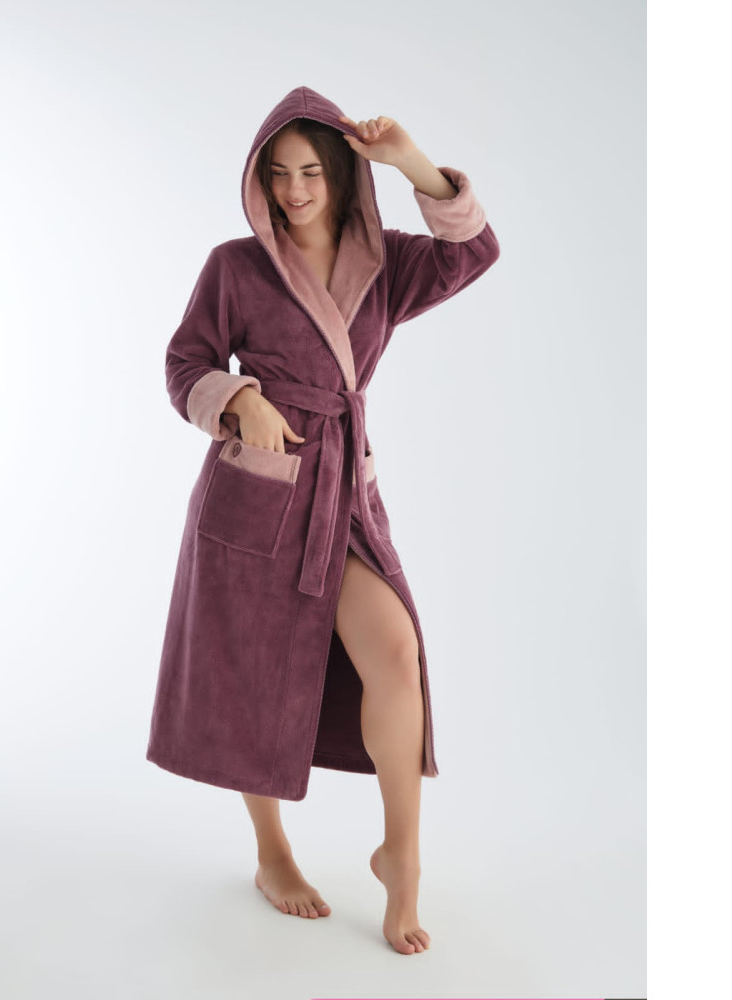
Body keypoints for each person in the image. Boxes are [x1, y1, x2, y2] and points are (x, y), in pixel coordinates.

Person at [146, 86, 501, 956]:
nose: (294, 189)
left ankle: (400, 856)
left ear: (342, 175)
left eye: (310, 171)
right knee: (253, 670)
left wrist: (410, 160)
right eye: (277, 173)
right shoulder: (235, 266)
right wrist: (241, 400)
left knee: (395, 650)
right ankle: (272, 851)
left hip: (343, 492)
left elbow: (475, 250)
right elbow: (185, 362)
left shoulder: (387, 263)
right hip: (257, 491)